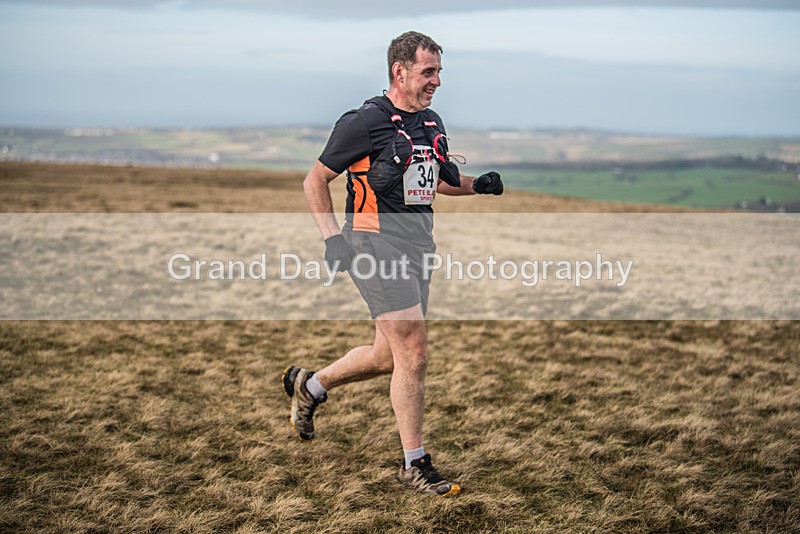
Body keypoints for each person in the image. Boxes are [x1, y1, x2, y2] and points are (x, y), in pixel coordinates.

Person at [283, 31, 503, 497]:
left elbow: (436, 181)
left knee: (388, 356)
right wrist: (332, 240)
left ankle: (311, 386)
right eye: (429, 72)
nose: (437, 81)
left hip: (417, 245)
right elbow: (315, 179)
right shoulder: (363, 122)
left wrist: (475, 185)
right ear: (398, 71)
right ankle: (414, 464)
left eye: (440, 72)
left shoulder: (430, 122)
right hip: (372, 245)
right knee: (415, 353)